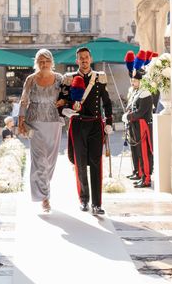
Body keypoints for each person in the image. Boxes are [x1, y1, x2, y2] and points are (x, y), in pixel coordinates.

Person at [58, 47, 113, 215]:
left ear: (90, 58)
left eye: (86, 57)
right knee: (80, 164)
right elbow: (62, 101)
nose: (84, 60)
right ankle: (84, 200)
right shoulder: (69, 79)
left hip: (96, 125)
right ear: (77, 61)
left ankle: (97, 204)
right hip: (78, 124)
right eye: (80, 58)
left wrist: (109, 121)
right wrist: (65, 111)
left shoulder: (99, 78)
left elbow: (107, 102)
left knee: (96, 164)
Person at [18, 49, 64, 213]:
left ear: (52, 62)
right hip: (34, 122)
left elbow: (66, 97)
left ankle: (45, 186)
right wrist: (20, 120)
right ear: (36, 63)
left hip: (53, 122)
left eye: (46, 61)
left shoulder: (60, 79)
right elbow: (24, 100)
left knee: (50, 161)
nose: (44, 64)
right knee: (38, 160)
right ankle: (44, 197)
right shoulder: (31, 79)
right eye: (41, 62)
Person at [124, 68, 153, 188]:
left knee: (144, 153)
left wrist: (129, 116)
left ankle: (146, 178)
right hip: (136, 125)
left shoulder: (145, 93)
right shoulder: (138, 92)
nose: (133, 82)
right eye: (133, 80)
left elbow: (140, 112)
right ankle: (141, 175)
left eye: (135, 80)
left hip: (142, 125)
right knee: (139, 152)